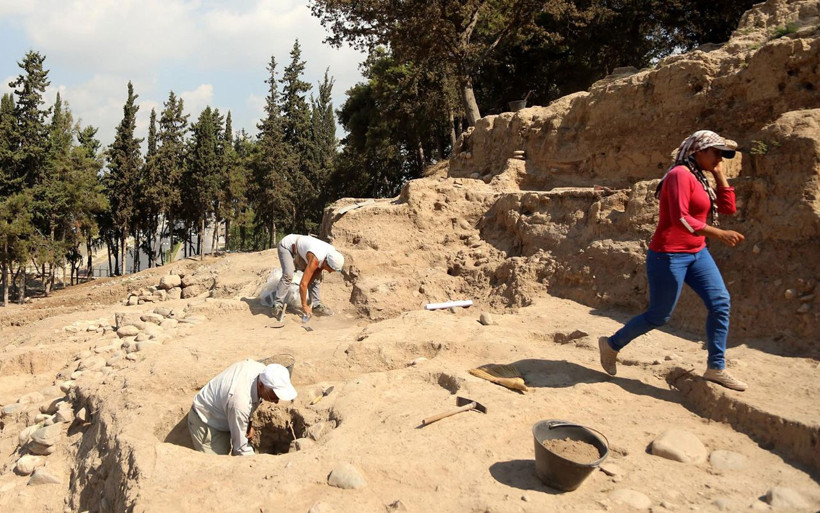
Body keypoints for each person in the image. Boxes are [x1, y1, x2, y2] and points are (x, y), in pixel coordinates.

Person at [598, 130, 748, 391]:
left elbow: (728, 208)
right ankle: (611, 345)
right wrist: (719, 233)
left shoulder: (700, 177)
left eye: (722, 155)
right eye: (716, 153)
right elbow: (681, 218)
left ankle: (716, 367)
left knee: (720, 303)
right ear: (699, 151)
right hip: (668, 255)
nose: (719, 158)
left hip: (697, 253)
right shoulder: (679, 175)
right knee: (659, 315)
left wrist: (719, 174)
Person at [188, 360, 297, 455]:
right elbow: (241, 450)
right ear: (260, 385)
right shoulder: (240, 402)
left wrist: (248, 424)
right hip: (207, 422)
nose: (276, 402)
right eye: (273, 397)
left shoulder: (261, 370)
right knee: (219, 465)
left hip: (225, 409)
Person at [272, 234, 344, 322]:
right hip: (287, 247)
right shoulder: (315, 258)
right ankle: (277, 305)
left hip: (303, 251)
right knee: (288, 275)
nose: (330, 272)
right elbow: (303, 284)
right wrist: (304, 305)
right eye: (330, 269)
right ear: (326, 262)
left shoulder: (332, 254)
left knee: (316, 278)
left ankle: (316, 305)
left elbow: (313, 276)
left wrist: (303, 289)